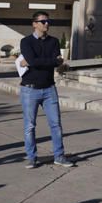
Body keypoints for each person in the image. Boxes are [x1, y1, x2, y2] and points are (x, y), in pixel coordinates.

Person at [18, 11, 74, 168]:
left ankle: (59, 156)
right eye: (43, 21)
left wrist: (33, 62)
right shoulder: (26, 42)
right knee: (30, 126)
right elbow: (35, 61)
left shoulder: (54, 41)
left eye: (48, 21)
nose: (46, 24)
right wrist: (41, 61)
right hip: (30, 90)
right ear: (34, 24)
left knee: (56, 124)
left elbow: (56, 62)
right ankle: (31, 157)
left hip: (49, 89)